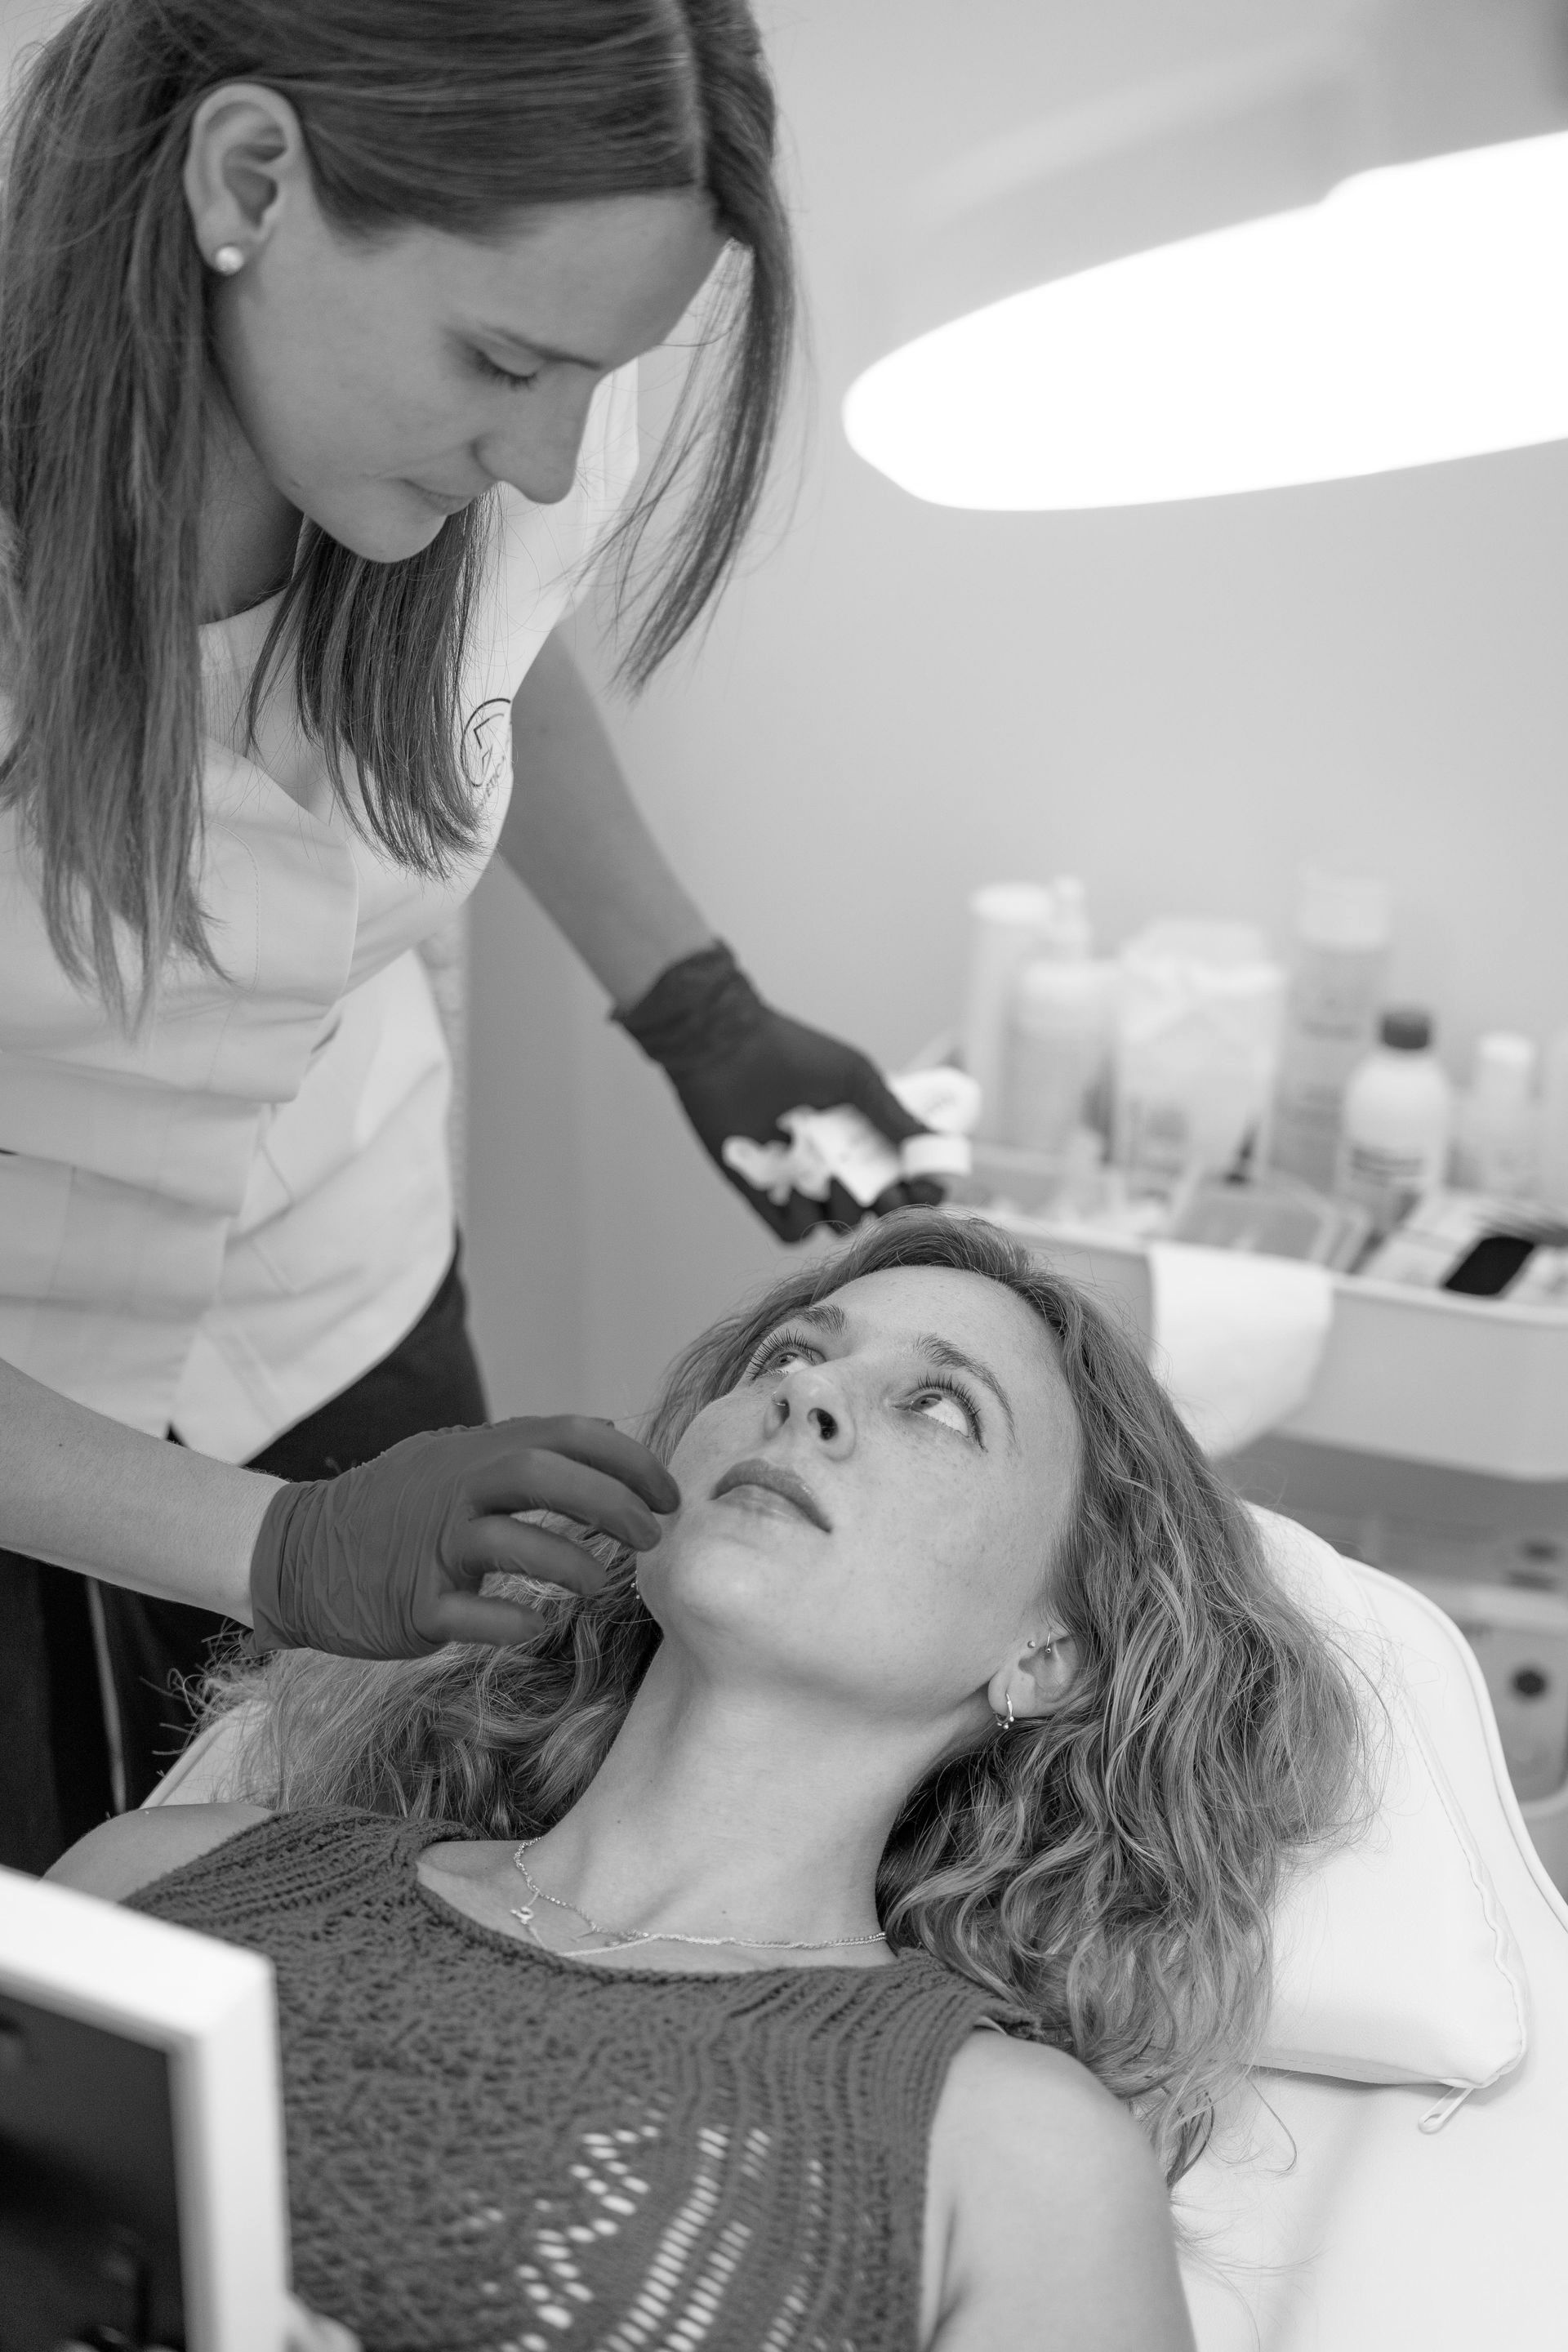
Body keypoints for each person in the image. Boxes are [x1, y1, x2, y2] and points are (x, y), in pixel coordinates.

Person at [0, 0, 941, 1872]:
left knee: (388, 1855)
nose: (543, 460)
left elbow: (488, 656)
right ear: (249, 179)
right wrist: (275, 1549)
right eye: (506, 363)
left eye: (597, 377)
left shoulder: (503, 415)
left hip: (342, 1295)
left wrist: (695, 1002)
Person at [52, 1210, 1373, 2350]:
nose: (807, 1399)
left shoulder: (1014, 2155)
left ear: (1049, 1651)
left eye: (940, 1407)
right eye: (792, 1355)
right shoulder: (159, 1882)